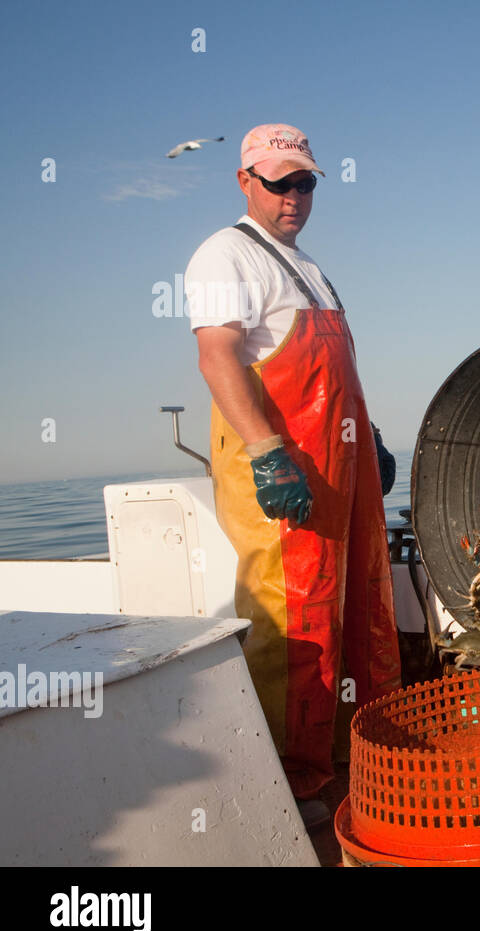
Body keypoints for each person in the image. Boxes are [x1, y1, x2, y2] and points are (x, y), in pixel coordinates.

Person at [186, 124, 401, 829]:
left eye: (304, 182)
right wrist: (269, 453)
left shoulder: (307, 265)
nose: (293, 196)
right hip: (285, 471)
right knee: (293, 621)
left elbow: (334, 373)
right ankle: (283, 786)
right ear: (246, 180)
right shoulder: (226, 253)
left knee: (359, 607)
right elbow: (218, 358)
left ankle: (356, 760)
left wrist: (364, 440)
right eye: (279, 182)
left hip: (339, 470)